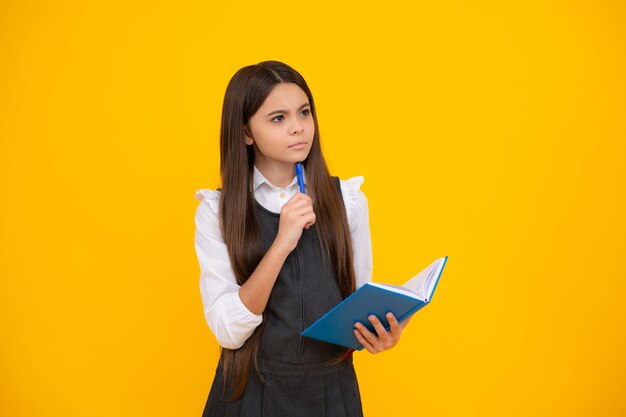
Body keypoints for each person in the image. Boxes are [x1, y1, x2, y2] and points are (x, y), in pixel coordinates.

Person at [193, 60, 411, 417]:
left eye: (304, 112)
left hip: (330, 393)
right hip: (248, 394)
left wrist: (381, 331)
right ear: (246, 132)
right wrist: (282, 243)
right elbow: (229, 331)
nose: (298, 128)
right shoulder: (216, 211)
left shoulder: (348, 200)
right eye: (278, 118)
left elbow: (357, 302)